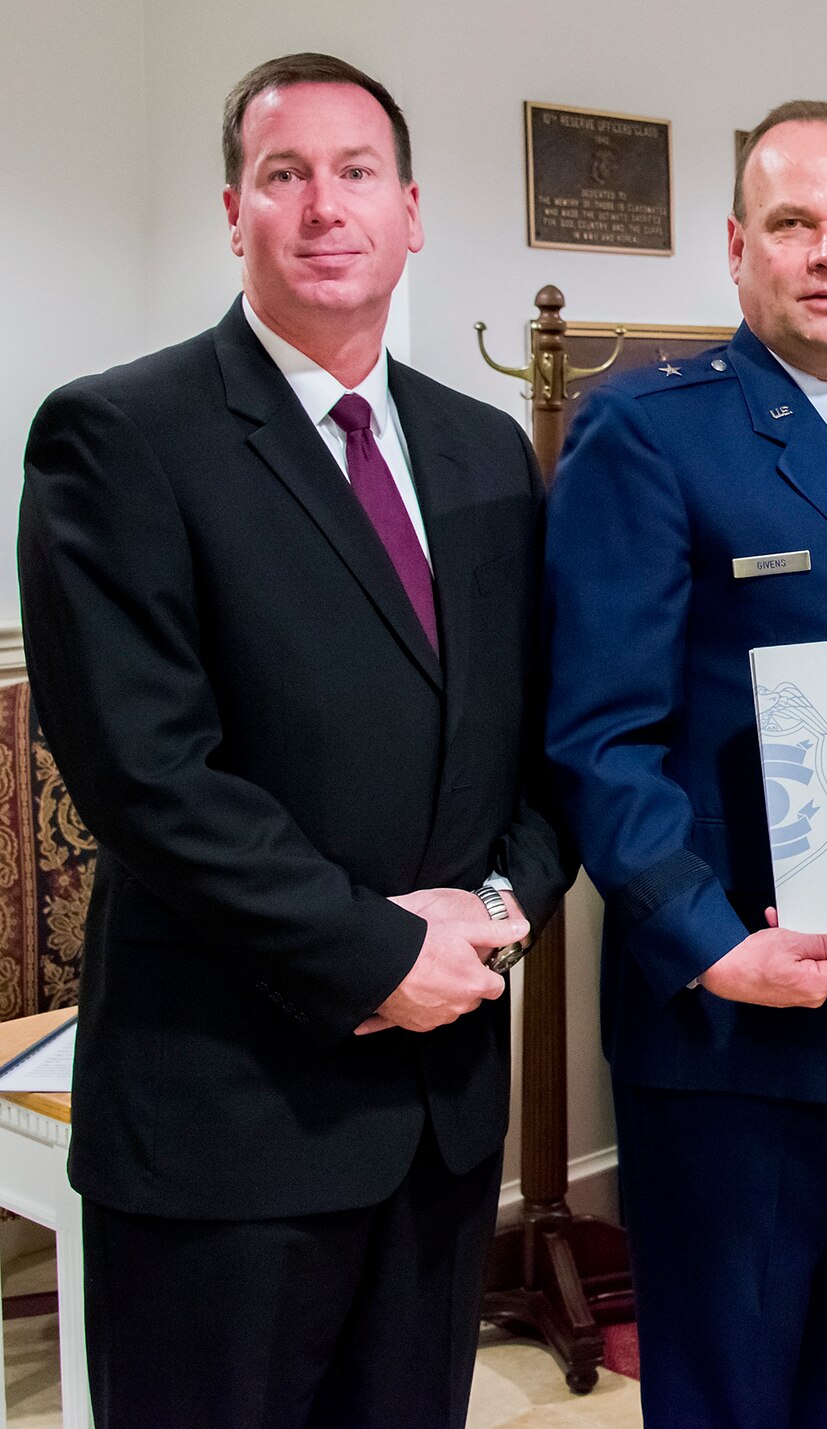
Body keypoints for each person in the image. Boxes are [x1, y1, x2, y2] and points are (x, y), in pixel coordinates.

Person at [18, 52, 571, 1429]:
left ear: (412, 211)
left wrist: (503, 913)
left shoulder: (484, 451)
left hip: (440, 1118)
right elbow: (147, 776)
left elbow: (536, 744)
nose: (325, 205)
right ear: (234, 211)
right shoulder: (121, 436)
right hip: (229, 1126)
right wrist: (380, 952)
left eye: (356, 172)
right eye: (286, 175)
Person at [542, 101, 827, 1428]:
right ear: (738, 247)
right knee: (736, 1392)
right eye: (794, 224)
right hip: (739, 1018)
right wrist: (705, 944)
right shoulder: (649, 432)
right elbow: (599, 737)